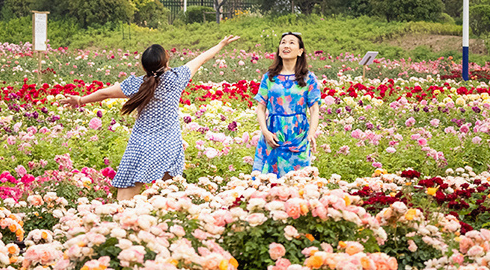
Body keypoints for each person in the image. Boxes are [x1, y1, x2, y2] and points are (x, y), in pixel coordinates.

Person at [68, 35, 239, 201]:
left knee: (125, 200)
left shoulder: (137, 84)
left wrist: (81, 100)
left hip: (141, 144)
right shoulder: (177, 78)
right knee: (170, 197)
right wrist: (221, 44)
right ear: (166, 62)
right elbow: (201, 59)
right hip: (169, 145)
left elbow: (105, 93)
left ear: (144, 67)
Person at [253, 31, 323, 178]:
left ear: (300, 51)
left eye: (292, 43)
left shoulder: (308, 78)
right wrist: (265, 132)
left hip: (298, 134)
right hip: (273, 134)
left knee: (298, 181)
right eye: (283, 42)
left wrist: (311, 134)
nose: (286, 45)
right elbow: (261, 107)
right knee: (267, 181)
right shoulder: (270, 77)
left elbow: (314, 109)